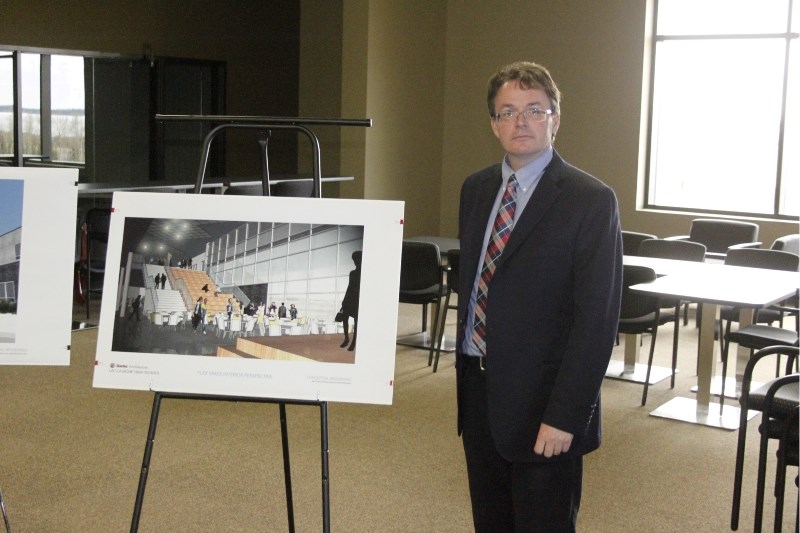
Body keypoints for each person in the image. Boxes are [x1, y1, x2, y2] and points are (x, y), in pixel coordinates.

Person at [455, 61, 622, 532]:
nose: (520, 122)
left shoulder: (590, 200)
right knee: (491, 522)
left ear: (556, 119)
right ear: (493, 124)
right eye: (507, 112)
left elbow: (597, 321)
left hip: (545, 406)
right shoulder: (476, 189)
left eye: (534, 110)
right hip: (480, 391)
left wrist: (566, 416)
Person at [339, 251, 362, 351]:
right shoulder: (352, 273)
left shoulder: (364, 273)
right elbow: (349, 287)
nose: (355, 262)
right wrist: (344, 302)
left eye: (357, 260)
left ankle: (354, 342)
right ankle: (347, 339)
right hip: (350, 300)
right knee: (345, 318)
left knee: (357, 321)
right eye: (354, 260)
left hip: (358, 301)